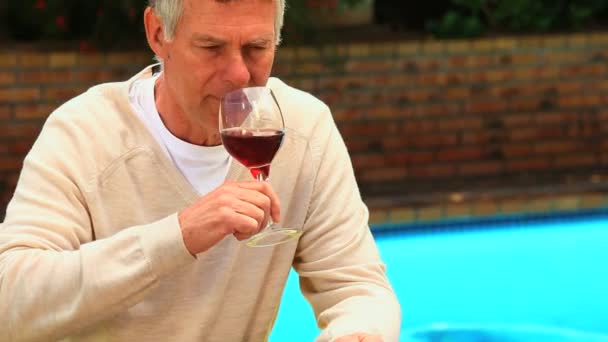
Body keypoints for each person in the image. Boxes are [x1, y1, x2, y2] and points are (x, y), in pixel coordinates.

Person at [0, 0, 401, 341]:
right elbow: (9, 302)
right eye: (211, 47)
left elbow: (357, 287)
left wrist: (358, 331)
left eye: (256, 47)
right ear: (158, 34)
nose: (239, 74)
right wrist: (179, 235)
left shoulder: (305, 128)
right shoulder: (85, 133)